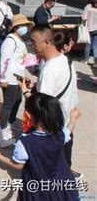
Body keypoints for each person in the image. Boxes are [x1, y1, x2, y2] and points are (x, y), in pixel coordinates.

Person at [0, 93, 80, 201]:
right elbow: (70, 128)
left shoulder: (25, 142)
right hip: (62, 186)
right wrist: (73, 118)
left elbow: (18, 165)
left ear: (28, 115)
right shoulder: (59, 135)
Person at [29, 25, 81, 179]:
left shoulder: (49, 69)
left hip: (52, 129)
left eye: (34, 42)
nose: (32, 46)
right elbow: (73, 93)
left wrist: (26, 92)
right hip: (66, 126)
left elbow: (41, 106)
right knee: (64, 163)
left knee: (50, 173)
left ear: (47, 42)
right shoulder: (67, 60)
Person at [0, 14, 32, 140]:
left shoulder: (20, 40)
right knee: (8, 104)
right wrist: (3, 79)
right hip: (10, 78)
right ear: (16, 27)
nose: (25, 28)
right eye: (23, 25)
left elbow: (24, 59)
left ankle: (11, 122)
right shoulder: (10, 40)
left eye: (26, 25)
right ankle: (3, 128)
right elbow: (4, 60)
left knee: (17, 100)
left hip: (19, 77)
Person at [82, 0, 97, 67]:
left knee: (88, 45)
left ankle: (86, 60)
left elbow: (84, 18)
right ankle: (95, 62)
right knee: (95, 46)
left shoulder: (88, 7)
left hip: (89, 28)